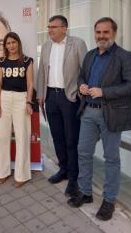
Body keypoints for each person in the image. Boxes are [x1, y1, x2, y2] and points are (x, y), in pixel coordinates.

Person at [67, 17, 131, 221]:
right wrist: (82, 85)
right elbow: (82, 76)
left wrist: (104, 91)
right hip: (88, 111)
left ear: (114, 33)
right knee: (83, 152)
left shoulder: (123, 57)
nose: (101, 36)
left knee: (111, 158)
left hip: (111, 114)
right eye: (98, 32)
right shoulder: (90, 55)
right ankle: (85, 192)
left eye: (105, 32)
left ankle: (109, 200)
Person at [36, 15, 87, 196]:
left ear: (64, 28)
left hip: (69, 97)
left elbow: (85, 71)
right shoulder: (47, 45)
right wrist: (41, 94)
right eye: (49, 26)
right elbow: (42, 72)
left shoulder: (77, 44)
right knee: (57, 136)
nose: (50, 30)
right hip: (51, 96)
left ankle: (74, 178)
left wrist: (80, 92)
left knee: (71, 139)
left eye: (54, 27)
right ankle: (63, 169)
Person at [0, 32, 34, 188]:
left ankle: (22, 174)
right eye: (8, 43)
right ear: (5, 45)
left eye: (13, 42)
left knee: (22, 136)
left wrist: (29, 102)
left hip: (21, 99)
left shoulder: (26, 61)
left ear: (18, 43)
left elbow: (30, 84)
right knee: (2, 136)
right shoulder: (1, 61)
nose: (11, 46)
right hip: (4, 98)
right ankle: (2, 172)